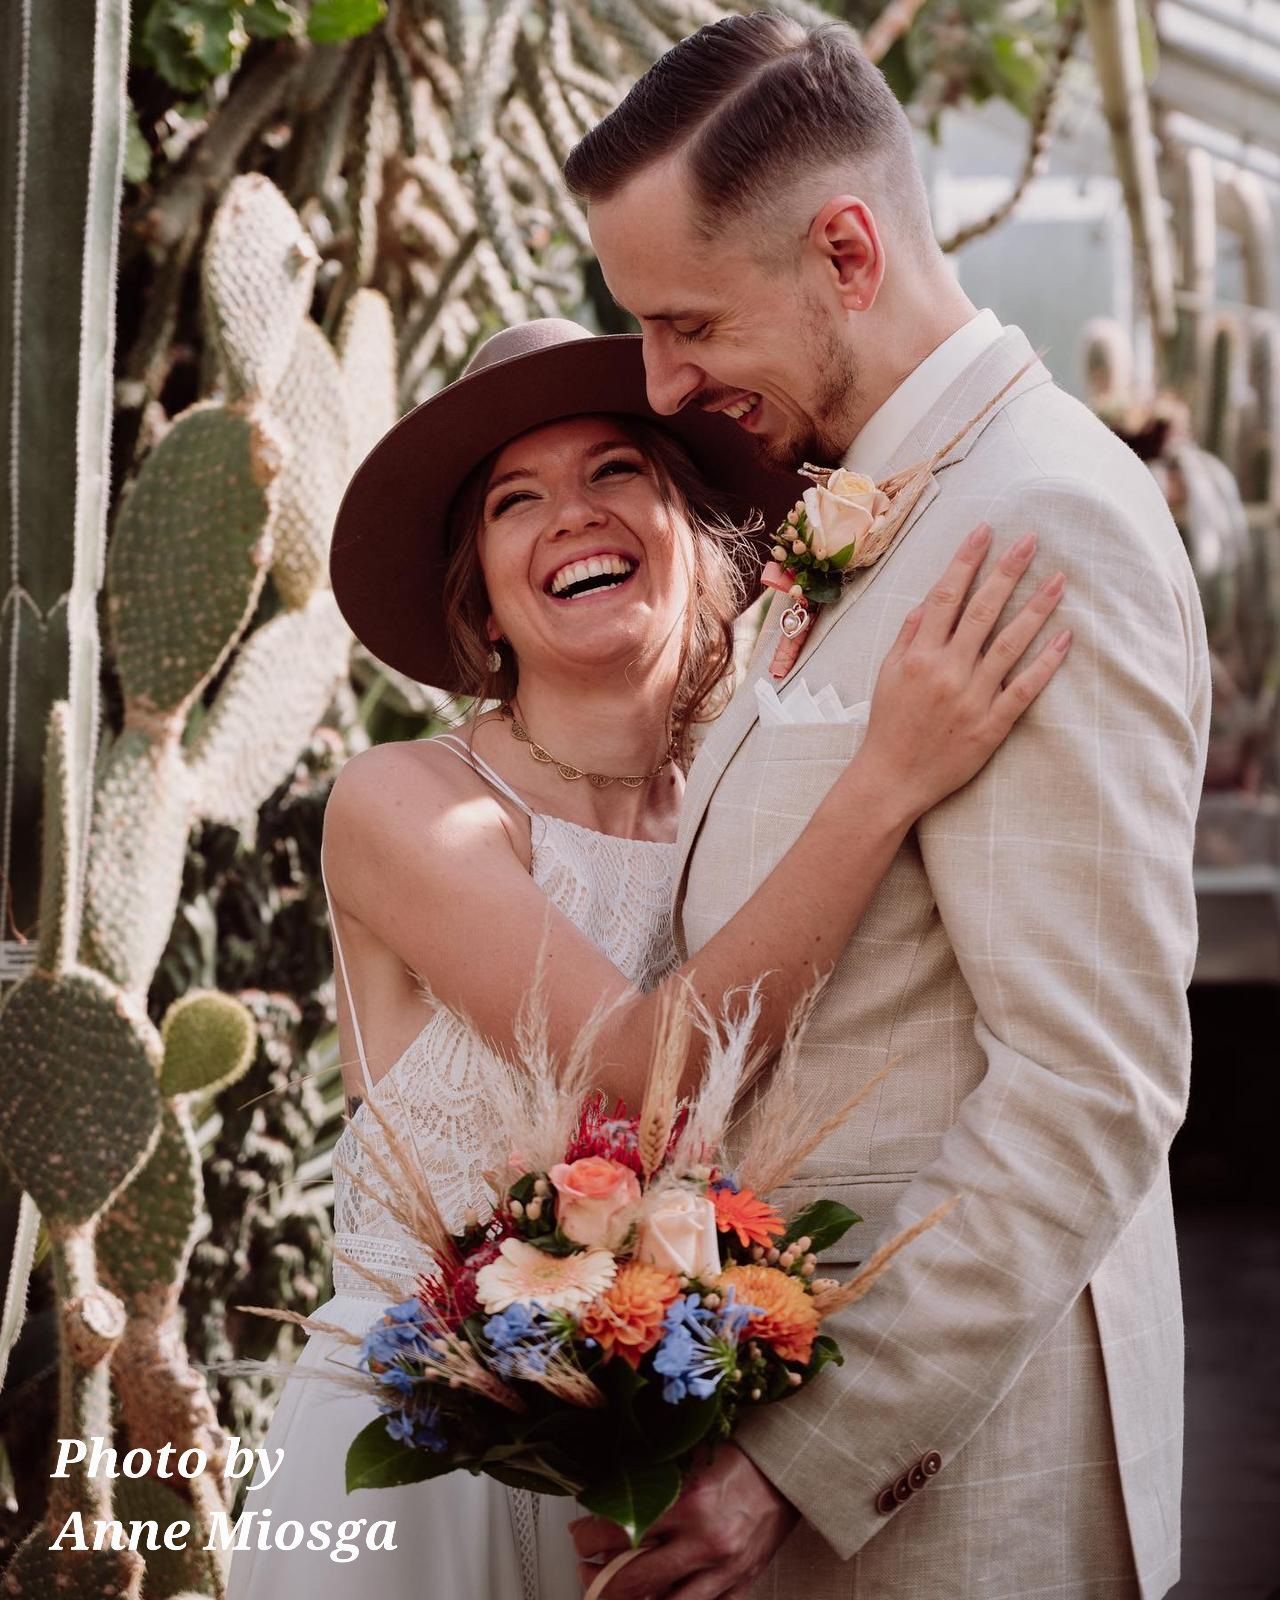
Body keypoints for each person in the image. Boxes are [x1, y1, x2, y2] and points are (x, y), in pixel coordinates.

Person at [225, 317, 1067, 1599]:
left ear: (691, 531)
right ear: (483, 596)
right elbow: (634, 1079)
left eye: (614, 470)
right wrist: (886, 781)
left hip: (667, 1454)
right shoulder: (403, 803)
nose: (568, 513)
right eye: (515, 500)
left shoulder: (754, 799)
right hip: (426, 1472)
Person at [562, 15, 1210, 1599]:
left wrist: (798, 1456)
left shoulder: (1043, 523)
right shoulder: (870, 498)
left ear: (846, 249)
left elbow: (1089, 1082)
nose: (661, 379)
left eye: (687, 318)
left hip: (961, 1505)